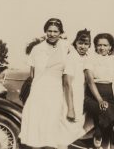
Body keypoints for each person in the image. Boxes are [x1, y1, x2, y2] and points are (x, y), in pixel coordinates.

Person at [19, 18, 69, 149]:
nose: (52, 34)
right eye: (49, 31)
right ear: (45, 31)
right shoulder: (37, 49)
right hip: (38, 90)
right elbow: (32, 73)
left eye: (55, 31)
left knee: (52, 124)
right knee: (36, 124)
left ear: (60, 32)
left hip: (56, 91)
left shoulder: (66, 47)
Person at [58, 29, 91, 147]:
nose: (83, 46)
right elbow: (67, 83)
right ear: (75, 43)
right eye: (80, 43)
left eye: (86, 44)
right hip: (70, 99)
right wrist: (70, 109)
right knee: (66, 132)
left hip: (80, 97)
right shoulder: (72, 57)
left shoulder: (86, 57)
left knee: (76, 130)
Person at [84, 33, 114, 149]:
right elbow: (90, 81)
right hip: (94, 94)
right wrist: (99, 100)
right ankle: (98, 134)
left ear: (110, 47)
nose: (102, 48)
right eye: (99, 45)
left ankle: (105, 141)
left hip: (111, 93)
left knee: (113, 116)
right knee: (105, 110)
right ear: (95, 46)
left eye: (105, 45)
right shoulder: (91, 59)